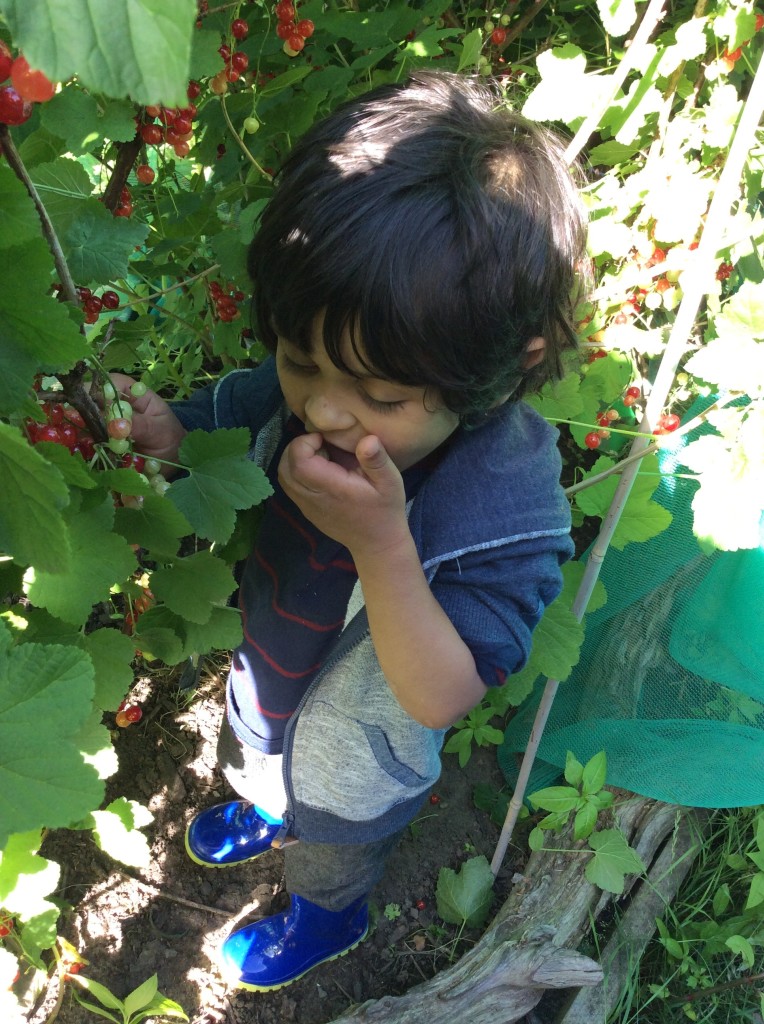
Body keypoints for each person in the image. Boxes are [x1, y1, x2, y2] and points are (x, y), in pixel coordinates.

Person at [114, 70, 588, 992]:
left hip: (360, 759)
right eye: (299, 360)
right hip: (266, 670)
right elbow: (229, 425)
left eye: (381, 397)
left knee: (330, 844)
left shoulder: (507, 508)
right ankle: (262, 800)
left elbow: (442, 693)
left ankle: (329, 915)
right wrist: (173, 438)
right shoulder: (322, 372)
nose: (324, 409)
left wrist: (384, 543)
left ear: (502, 368)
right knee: (249, 754)